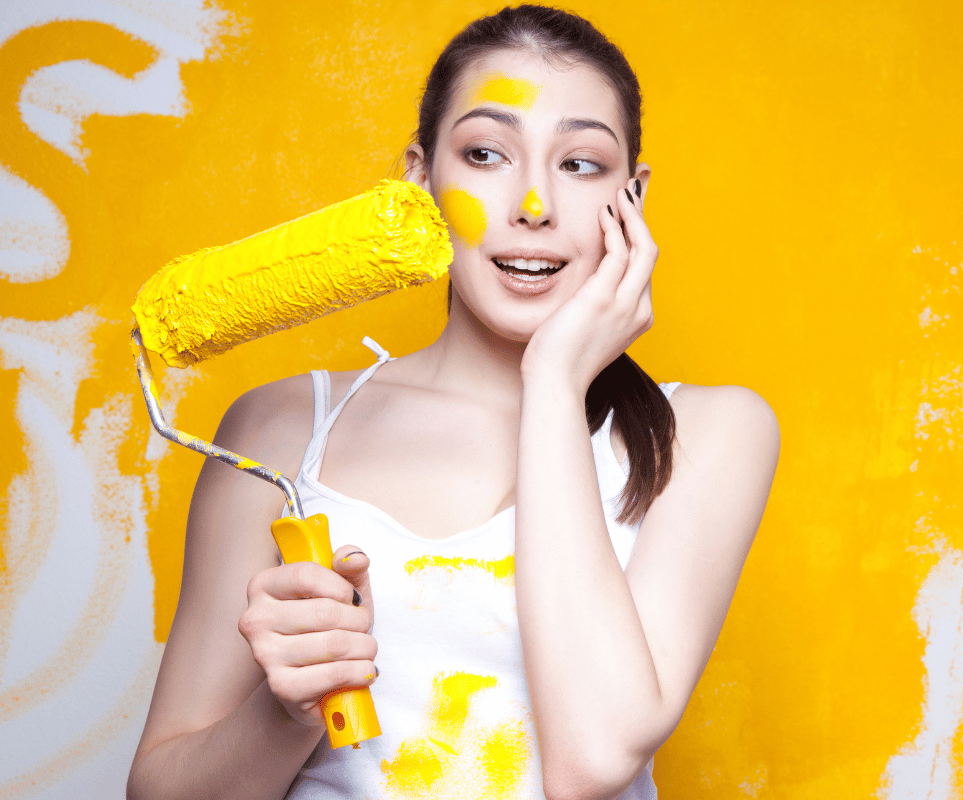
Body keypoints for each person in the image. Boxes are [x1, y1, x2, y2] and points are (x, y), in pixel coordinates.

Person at [126, 6, 780, 800]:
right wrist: (287, 709)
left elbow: (594, 761)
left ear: (632, 197)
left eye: (580, 164)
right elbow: (160, 792)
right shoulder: (278, 431)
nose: (533, 203)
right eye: (485, 154)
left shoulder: (708, 434)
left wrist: (554, 378)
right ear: (419, 179)